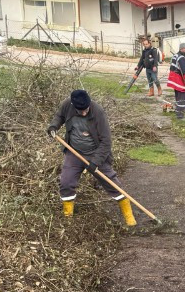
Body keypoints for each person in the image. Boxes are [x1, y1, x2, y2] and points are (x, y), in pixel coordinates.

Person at [46, 89, 135, 226]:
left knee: (112, 183)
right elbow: (59, 116)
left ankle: (129, 218)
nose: (84, 112)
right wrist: (53, 126)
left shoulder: (98, 112)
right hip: (74, 152)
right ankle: (67, 219)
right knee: (66, 182)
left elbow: (106, 141)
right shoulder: (67, 105)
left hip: (95, 153)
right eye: (80, 110)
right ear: (73, 105)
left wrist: (95, 162)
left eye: (85, 109)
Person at [166, 42, 185, 120]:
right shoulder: (181, 58)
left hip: (175, 81)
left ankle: (179, 113)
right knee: (183, 98)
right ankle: (180, 116)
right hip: (179, 81)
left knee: (178, 98)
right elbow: (184, 72)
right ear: (181, 49)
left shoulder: (175, 56)